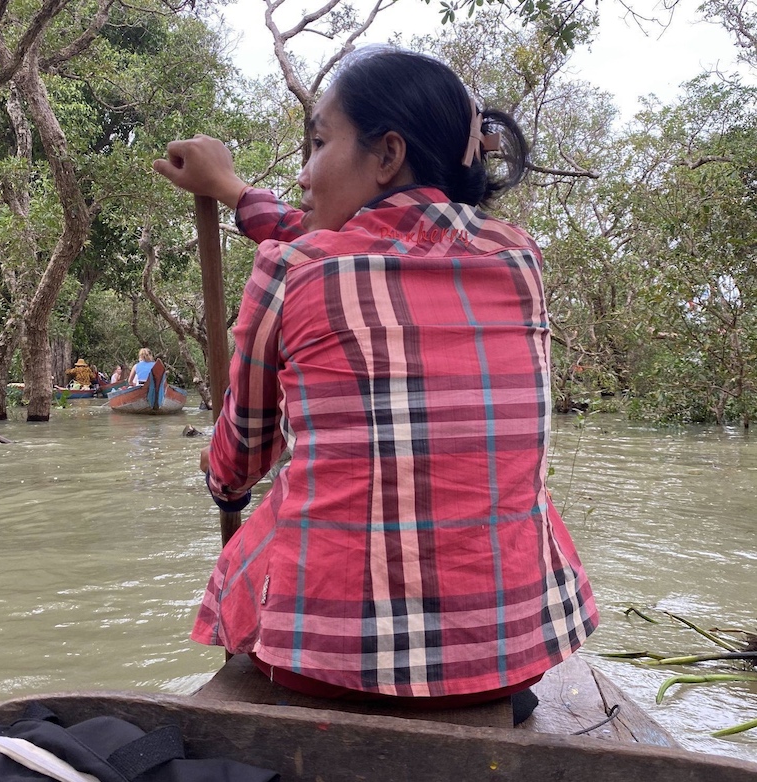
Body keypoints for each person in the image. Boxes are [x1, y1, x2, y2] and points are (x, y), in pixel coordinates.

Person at [154, 47, 598, 718]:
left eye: (320, 143)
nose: (303, 175)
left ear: (388, 155)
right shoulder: (518, 257)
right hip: (505, 657)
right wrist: (236, 193)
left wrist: (221, 486)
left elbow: (238, 466)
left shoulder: (291, 269)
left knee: (272, 500)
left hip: (327, 666)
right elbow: (341, 236)